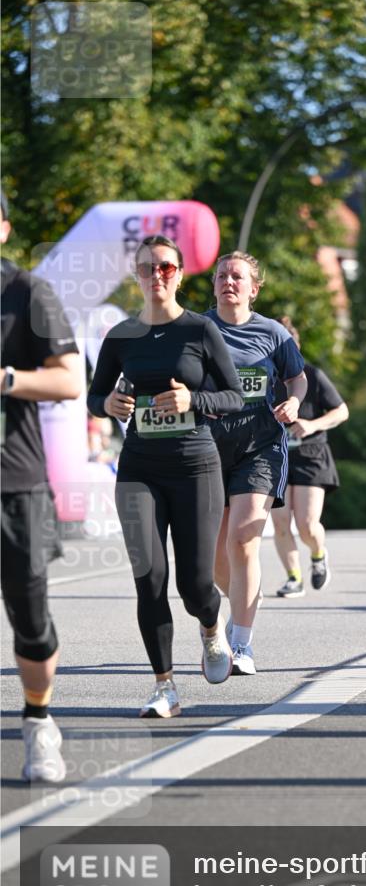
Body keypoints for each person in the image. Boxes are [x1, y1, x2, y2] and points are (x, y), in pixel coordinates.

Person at [87, 235, 244, 718]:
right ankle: (165, 686)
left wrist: (192, 400)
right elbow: (95, 397)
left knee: (196, 585)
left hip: (195, 466)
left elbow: (235, 397)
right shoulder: (121, 336)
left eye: (167, 268)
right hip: (139, 469)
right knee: (149, 579)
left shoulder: (199, 331)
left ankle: (213, 630)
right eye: (148, 268)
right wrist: (107, 404)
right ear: (136, 275)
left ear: (180, 274)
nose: (157, 276)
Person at [1, 189, 81, 780]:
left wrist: (5, 377)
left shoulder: (28, 293)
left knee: (30, 618)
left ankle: (39, 722)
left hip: (14, 482)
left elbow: (70, 381)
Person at [205, 252, 307, 675]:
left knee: (244, 539)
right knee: (214, 555)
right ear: (214, 285)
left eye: (238, 276)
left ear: (254, 287)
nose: (229, 281)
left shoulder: (273, 333)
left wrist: (295, 400)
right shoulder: (198, 328)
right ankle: (242, 603)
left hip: (259, 446)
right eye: (222, 275)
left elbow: (296, 376)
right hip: (207, 448)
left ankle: (242, 643)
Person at [272, 317, 349, 597]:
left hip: (311, 454)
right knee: (280, 522)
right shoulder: (265, 378)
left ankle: (318, 554)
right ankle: (293, 578)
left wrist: (312, 425)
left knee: (305, 524)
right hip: (276, 458)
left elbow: (342, 411)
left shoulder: (312, 376)